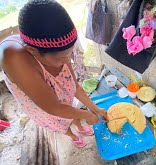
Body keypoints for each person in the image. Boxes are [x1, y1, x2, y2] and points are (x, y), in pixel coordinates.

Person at [0, 0, 108, 148]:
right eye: (61, 58)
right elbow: (54, 108)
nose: (67, 61)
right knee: (60, 123)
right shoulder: (14, 58)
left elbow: (75, 87)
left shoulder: (58, 47)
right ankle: (72, 135)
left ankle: (80, 127)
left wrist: (95, 109)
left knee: (71, 111)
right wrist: (87, 115)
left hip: (61, 101)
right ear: (32, 51)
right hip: (46, 108)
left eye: (69, 54)